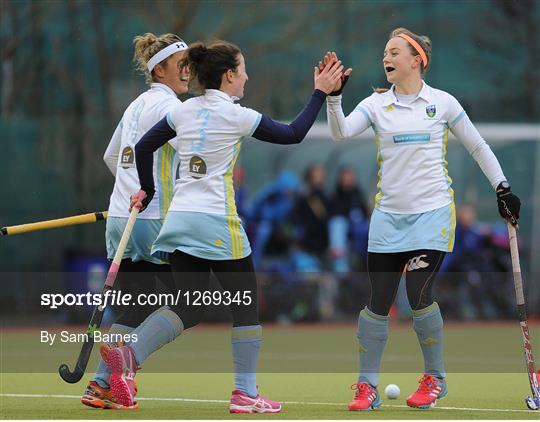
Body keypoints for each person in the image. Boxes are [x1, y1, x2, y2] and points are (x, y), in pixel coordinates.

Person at [100, 40, 344, 413]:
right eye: (243, 69)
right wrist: (319, 93)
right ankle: (245, 393)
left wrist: (146, 188)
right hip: (215, 221)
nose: (247, 76)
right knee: (245, 305)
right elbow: (294, 133)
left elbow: (144, 146)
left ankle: (128, 357)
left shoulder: (183, 112)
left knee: (189, 306)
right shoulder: (238, 115)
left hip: (178, 223)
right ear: (229, 76)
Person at [323, 27, 521, 411]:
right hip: (387, 219)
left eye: (395, 52)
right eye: (384, 52)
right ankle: (366, 387)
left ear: (417, 60)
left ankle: (435, 379)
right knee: (377, 303)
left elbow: (478, 145)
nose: (387, 58)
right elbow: (341, 133)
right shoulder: (376, 104)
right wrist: (334, 99)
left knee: (418, 294)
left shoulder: (443, 103)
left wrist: (502, 188)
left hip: (431, 215)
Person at [81, 32, 190, 410]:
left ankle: (101, 385)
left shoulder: (135, 105)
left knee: (137, 306)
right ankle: (129, 360)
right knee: (196, 301)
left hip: (121, 220)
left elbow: (112, 157)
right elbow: (194, 156)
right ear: (160, 69)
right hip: (156, 219)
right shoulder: (169, 108)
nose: (188, 70)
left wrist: (130, 188)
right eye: (182, 64)